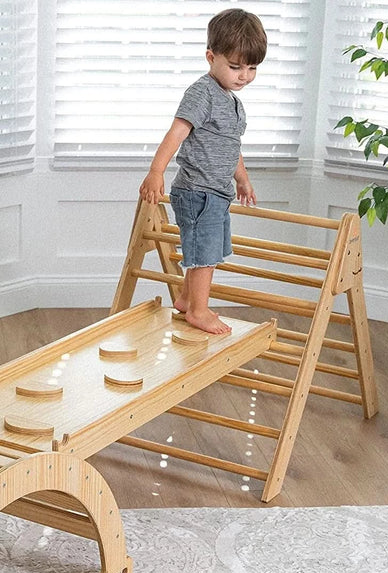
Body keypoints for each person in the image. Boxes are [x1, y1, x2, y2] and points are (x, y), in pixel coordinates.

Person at [139, 8, 267, 335]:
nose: (244, 75)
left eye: (252, 68)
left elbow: (231, 146)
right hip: (198, 191)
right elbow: (177, 132)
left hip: (217, 192)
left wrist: (243, 178)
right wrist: (156, 171)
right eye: (235, 66)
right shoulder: (203, 93)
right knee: (204, 254)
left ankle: (185, 298)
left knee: (211, 250)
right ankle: (198, 309)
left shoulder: (233, 102)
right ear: (211, 57)